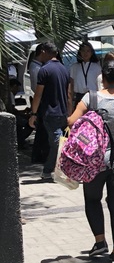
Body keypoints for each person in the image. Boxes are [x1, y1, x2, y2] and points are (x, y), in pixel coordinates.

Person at [67, 59, 114, 263]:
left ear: (103, 79)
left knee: (92, 200)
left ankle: (100, 243)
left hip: (94, 160)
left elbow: (71, 121)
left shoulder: (90, 98)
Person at [28, 42, 71, 180]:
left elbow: (38, 94)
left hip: (50, 113)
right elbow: (69, 94)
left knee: (58, 144)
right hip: (63, 112)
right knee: (58, 143)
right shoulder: (64, 69)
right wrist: (69, 113)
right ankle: (53, 170)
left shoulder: (44, 70)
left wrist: (33, 114)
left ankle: (52, 170)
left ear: (45, 52)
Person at [29, 43, 52, 164]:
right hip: (41, 99)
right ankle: (39, 155)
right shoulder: (36, 68)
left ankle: (39, 155)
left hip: (41, 98)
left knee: (42, 130)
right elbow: (36, 88)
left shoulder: (37, 66)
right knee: (42, 129)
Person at [69, 41, 102, 107]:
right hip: (79, 96)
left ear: (91, 53)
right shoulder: (74, 67)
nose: (85, 53)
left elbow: (100, 84)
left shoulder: (97, 67)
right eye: (83, 51)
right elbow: (71, 85)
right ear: (80, 52)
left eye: (88, 51)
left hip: (93, 97)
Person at [8, 79, 33, 148]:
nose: (17, 91)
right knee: (30, 123)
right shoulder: (11, 94)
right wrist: (24, 114)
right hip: (12, 116)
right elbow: (13, 110)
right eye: (17, 89)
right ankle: (20, 140)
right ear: (14, 86)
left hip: (13, 114)